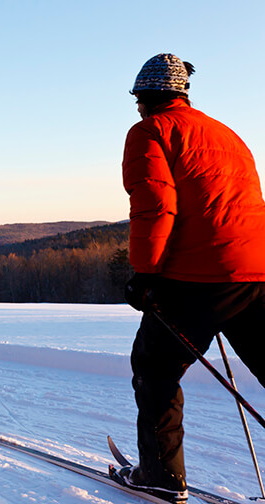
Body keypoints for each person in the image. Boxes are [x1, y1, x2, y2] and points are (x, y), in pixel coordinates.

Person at [119, 53, 265, 502]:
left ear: (146, 97)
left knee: (155, 369)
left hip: (193, 278)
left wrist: (145, 275)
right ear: (183, 93)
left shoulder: (149, 132)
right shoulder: (228, 133)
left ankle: (162, 477)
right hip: (255, 273)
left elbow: (155, 209)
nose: (137, 109)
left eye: (137, 100)